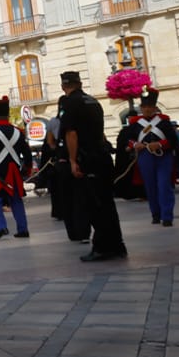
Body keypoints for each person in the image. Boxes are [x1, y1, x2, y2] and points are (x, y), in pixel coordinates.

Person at [58, 70, 126, 262]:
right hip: (102, 157)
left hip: (87, 159)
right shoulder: (93, 101)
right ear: (79, 83)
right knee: (107, 204)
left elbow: (71, 134)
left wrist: (72, 160)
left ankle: (102, 247)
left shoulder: (69, 103)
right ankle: (117, 244)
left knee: (94, 205)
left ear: (64, 86)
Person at [123, 89, 179, 227]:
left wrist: (159, 144)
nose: (147, 109)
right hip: (145, 156)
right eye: (145, 107)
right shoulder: (136, 124)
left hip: (163, 156)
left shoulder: (164, 122)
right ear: (141, 108)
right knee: (150, 186)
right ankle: (155, 214)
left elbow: (173, 140)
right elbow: (128, 139)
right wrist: (136, 144)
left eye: (150, 107)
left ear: (155, 108)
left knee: (164, 185)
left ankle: (167, 216)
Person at [0, 96, 32, 240]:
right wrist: (26, 169)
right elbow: (27, 154)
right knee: (16, 201)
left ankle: (0, 228)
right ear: (8, 115)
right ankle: (23, 229)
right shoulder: (18, 132)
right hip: (14, 172)